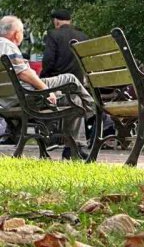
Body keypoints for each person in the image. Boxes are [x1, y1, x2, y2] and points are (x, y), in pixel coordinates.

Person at [0, 15, 96, 158]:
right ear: (16, 33)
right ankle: (93, 111)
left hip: (10, 99)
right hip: (26, 95)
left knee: (74, 97)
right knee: (70, 79)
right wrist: (44, 89)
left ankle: (73, 148)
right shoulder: (7, 45)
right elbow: (23, 73)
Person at [41, 9, 88, 79]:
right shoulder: (83, 36)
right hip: (78, 81)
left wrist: (43, 75)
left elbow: (48, 60)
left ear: (56, 22)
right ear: (70, 21)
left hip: (59, 81)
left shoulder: (53, 34)